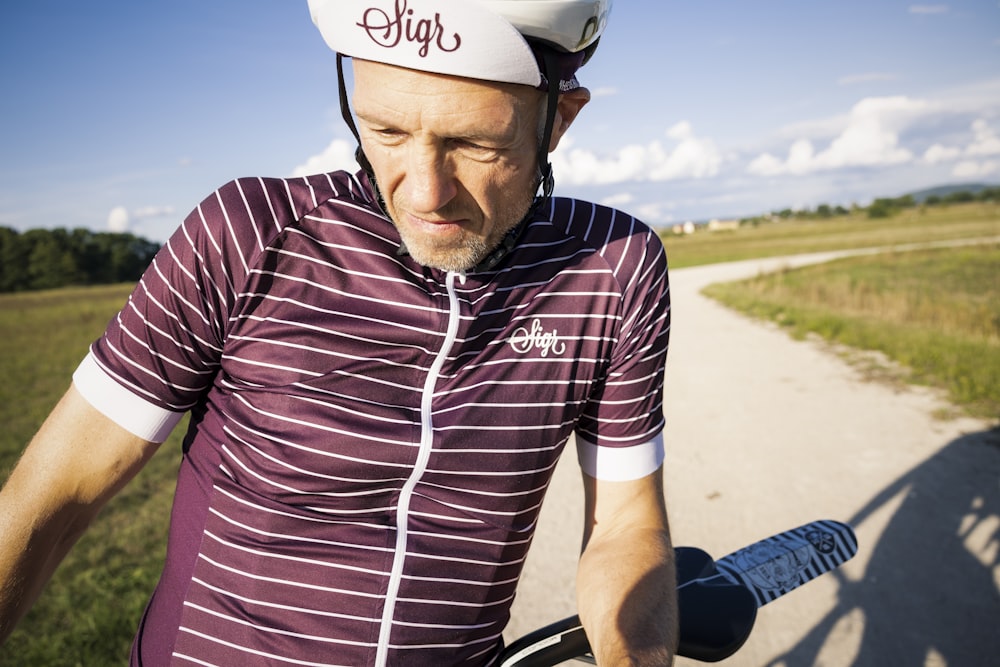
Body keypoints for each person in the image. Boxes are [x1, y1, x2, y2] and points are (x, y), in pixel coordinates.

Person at [0, 0, 678, 664]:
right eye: (385, 131)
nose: (422, 192)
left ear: (559, 117)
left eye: (475, 143)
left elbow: (625, 524)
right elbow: (53, 493)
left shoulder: (613, 270)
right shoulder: (248, 235)